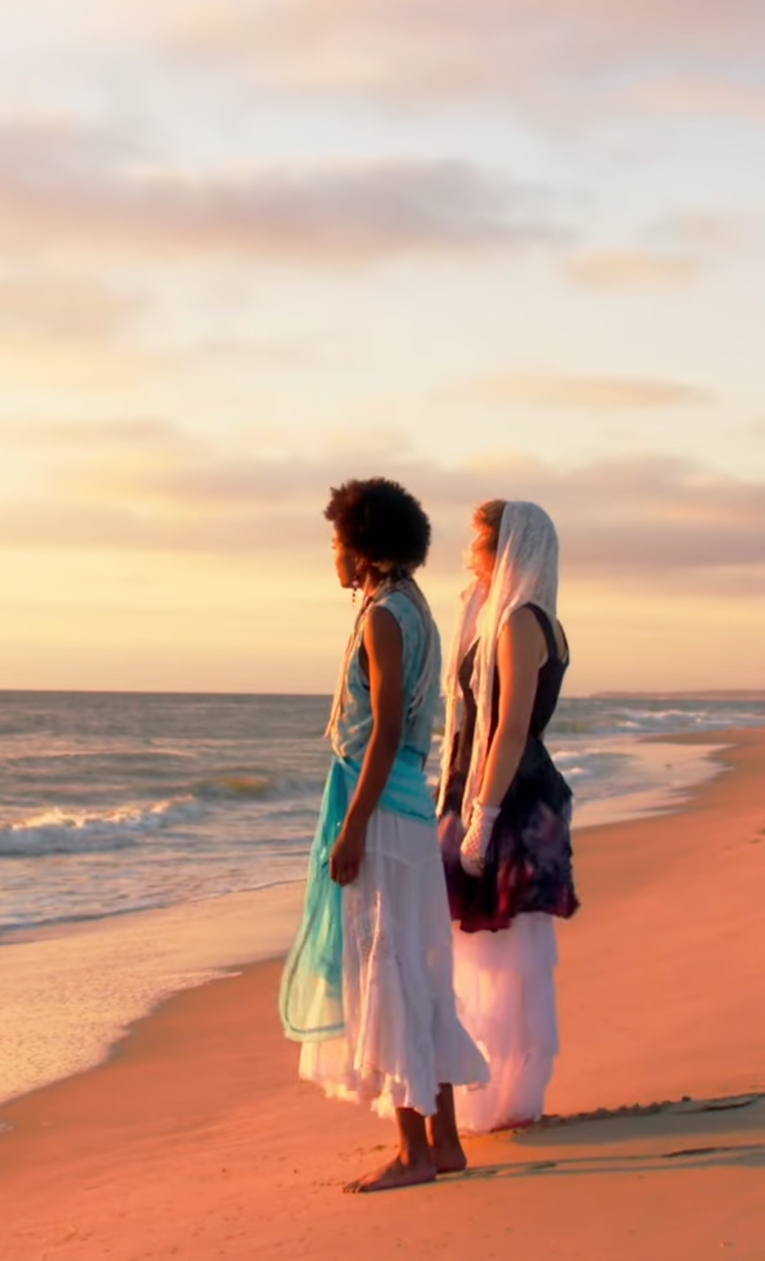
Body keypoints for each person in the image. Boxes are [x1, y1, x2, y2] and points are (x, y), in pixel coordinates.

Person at [279, 476, 488, 1192]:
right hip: (405, 806)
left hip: (385, 813)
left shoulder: (383, 617)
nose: (333, 556)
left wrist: (353, 828)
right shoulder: (410, 607)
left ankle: (412, 1153)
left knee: (385, 966)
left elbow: (388, 730)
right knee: (416, 971)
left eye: (338, 542)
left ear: (364, 547)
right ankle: (446, 1143)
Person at [437, 499, 576, 1130]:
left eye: (478, 543)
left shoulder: (521, 620)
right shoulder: (498, 614)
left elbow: (511, 725)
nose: (468, 554)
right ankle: (487, 1095)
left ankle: (501, 1098)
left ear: (508, 549)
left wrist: (483, 817)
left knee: (501, 953)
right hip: (487, 788)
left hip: (509, 796)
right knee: (482, 953)